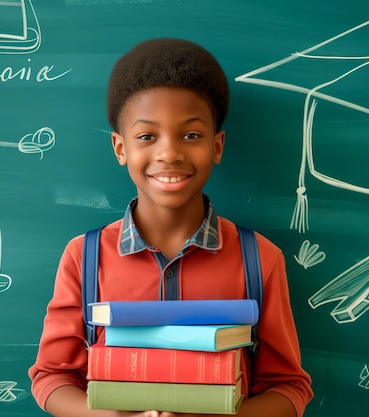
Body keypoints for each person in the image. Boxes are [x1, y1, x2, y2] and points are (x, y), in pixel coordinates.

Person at [28, 38, 313, 417]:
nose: (169, 153)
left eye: (191, 135)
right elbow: (51, 377)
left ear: (217, 145)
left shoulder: (259, 257)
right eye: (147, 136)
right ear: (120, 148)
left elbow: (289, 387)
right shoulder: (84, 257)